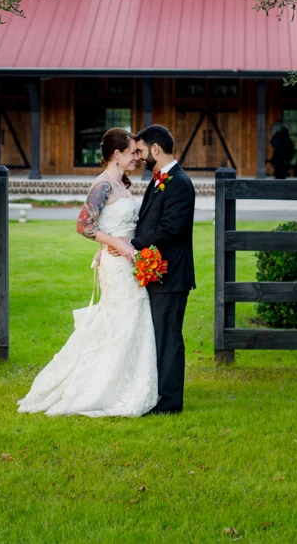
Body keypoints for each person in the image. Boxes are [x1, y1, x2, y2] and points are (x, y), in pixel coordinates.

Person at [17, 128, 158, 417]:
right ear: (116, 154)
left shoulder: (122, 184)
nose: (137, 157)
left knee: (130, 320)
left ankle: (127, 383)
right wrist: (116, 243)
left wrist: (122, 242)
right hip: (117, 266)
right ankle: (98, 388)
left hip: (128, 262)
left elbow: (115, 225)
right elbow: (84, 226)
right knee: (119, 320)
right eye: (132, 152)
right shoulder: (102, 186)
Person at [109, 124, 197, 414]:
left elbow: (170, 228)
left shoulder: (179, 183)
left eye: (142, 150)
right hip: (157, 273)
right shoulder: (159, 180)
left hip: (171, 274)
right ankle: (154, 392)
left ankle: (169, 401)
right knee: (157, 336)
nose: (139, 156)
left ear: (155, 149)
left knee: (168, 338)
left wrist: (131, 244)